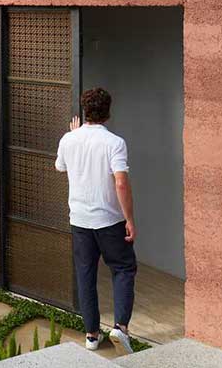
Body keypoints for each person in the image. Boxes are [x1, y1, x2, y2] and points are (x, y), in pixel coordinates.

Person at [55, 87, 137, 354]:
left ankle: (91, 335)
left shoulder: (68, 139)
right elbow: (121, 182)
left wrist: (73, 134)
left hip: (79, 220)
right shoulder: (115, 143)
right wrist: (129, 219)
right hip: (110, 220)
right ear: (108, 112)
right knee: (123, 269)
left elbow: (60, 167)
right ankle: (120, 328)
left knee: (85, 274)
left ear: (84, 110)